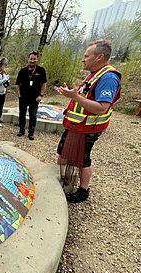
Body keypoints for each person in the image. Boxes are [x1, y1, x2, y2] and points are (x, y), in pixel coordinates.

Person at [54, 39, 121, 203]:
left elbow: (101, 107)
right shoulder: (94, 74)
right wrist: (72, 95)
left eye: (86, 56)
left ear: (99, 57)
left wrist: (75, 97)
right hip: (77, 126)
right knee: (65, 154)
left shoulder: (108, 78)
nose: (83, 59)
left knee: (83, 160)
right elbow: (85, 97)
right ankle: (66, 182)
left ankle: (83, 191)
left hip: (88, 128)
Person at [15, 51, 47, 140]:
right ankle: (21, 130)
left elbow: (44, 84)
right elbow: (17, 84)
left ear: (37, 59)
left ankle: (31, 133)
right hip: (23, 97)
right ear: (28, 59)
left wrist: (41, 95)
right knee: (22, 114)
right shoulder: (22, 71)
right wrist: (19, 95)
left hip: (35, 97)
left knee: (33, 115)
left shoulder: (41, 70)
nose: (32, 61)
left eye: (34, 59)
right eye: (31, 59)